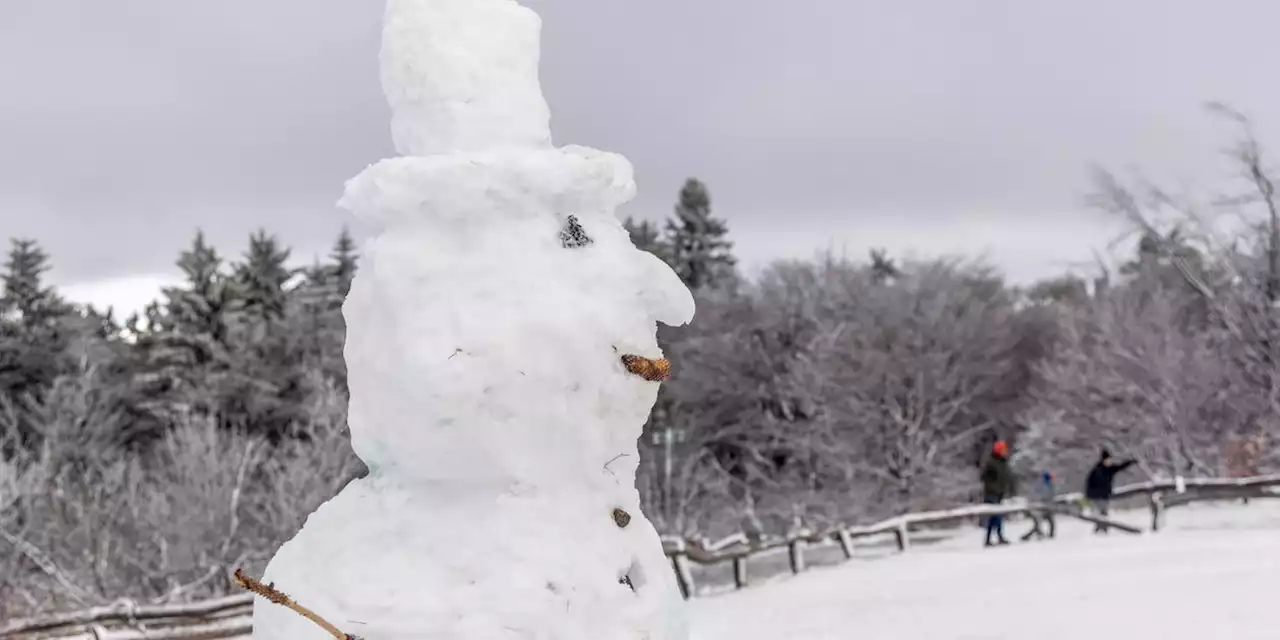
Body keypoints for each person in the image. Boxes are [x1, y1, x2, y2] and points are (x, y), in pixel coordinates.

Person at [1084, 448, 1136, 534]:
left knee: (1103, 512)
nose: (1110, 462)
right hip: (1096, 495)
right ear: (1104, 460)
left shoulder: (1110, 468)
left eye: (1110, 460)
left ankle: (1101, 528)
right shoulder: (1098, 470)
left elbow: (1120, 467)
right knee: (1101, 512)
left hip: (1103, 495)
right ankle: (1100, 529)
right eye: (1108, 460)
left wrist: (1130, 462)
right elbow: (1097, 482)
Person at [979, 440, 1016, 547]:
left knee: (997, 516)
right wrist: (993, 487)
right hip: (992, 493)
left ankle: (997, 536)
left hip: (1000, 492)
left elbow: (1007, 478)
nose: (1005, 452)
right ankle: (990, 538)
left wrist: (1009, 490)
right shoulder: (991, 463)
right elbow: (985, 478)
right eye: (1003, 450)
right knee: (993, 516)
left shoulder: (1003, 463)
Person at [1020, 471, 1057, 541]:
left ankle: (1050, 534)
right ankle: (1032, 536)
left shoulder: (1049, 484)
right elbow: (1038, 495)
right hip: (1037, 507)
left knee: (1049, 521)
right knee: (1038, 523)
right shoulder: (1041, 484)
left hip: (1045, 506)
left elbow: (1051, 495)